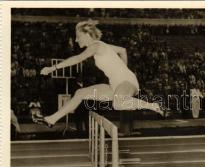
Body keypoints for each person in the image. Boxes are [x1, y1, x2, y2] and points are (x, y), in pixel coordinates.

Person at [35, 20, 166, 127]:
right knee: (80, 93)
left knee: (118, 104)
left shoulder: (96, 46)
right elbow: (123, 50)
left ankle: (153, 105)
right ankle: (51, 119)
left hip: (127, 82)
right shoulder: (103, 45)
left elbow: (77, 58)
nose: (76, 40)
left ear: (87, 35)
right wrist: (122, 69)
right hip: (115, 84)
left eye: (78, 37)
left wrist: (53, 68)